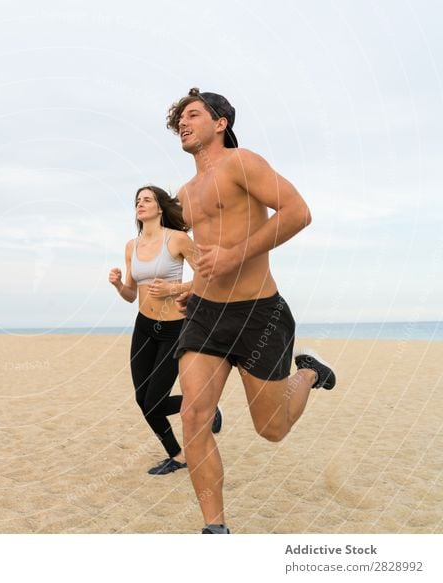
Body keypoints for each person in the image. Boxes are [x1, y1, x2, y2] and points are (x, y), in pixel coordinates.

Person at [166, 88, 337, 533]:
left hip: (259, 315)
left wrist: (234, 256)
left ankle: (310, 373)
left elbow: (298, 212)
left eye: (194, 114)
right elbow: (208, 254)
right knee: (193, 416)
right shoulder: (184, 194)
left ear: (221, 122)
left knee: (272, 429)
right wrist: (192, 286)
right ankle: (215, 530)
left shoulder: (242, 163)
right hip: (206, 315)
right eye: (179, 119)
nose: (183, 123)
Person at [109, 185, 222, 476]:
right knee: (142, 400)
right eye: (137, 201)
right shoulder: (131, 246)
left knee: (155, 401)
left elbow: (208, 277)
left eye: (147, 199)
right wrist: (119, 284)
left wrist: (174, 288)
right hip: (144, 327)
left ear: (160, 207)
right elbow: (131, 295)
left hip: (174, 328)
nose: (141, 204)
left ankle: (206, 408)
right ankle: (177, 454)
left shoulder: (178, 239)